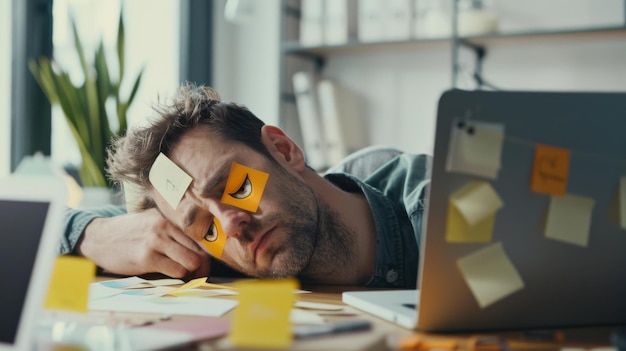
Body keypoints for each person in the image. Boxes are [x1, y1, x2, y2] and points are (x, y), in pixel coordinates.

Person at [60, 83, 431, 288]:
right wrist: (94, 235)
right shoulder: (226, 249)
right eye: (206, 227)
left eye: (236, 189)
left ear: (284, 151)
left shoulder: (430, 201)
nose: (230, 225)